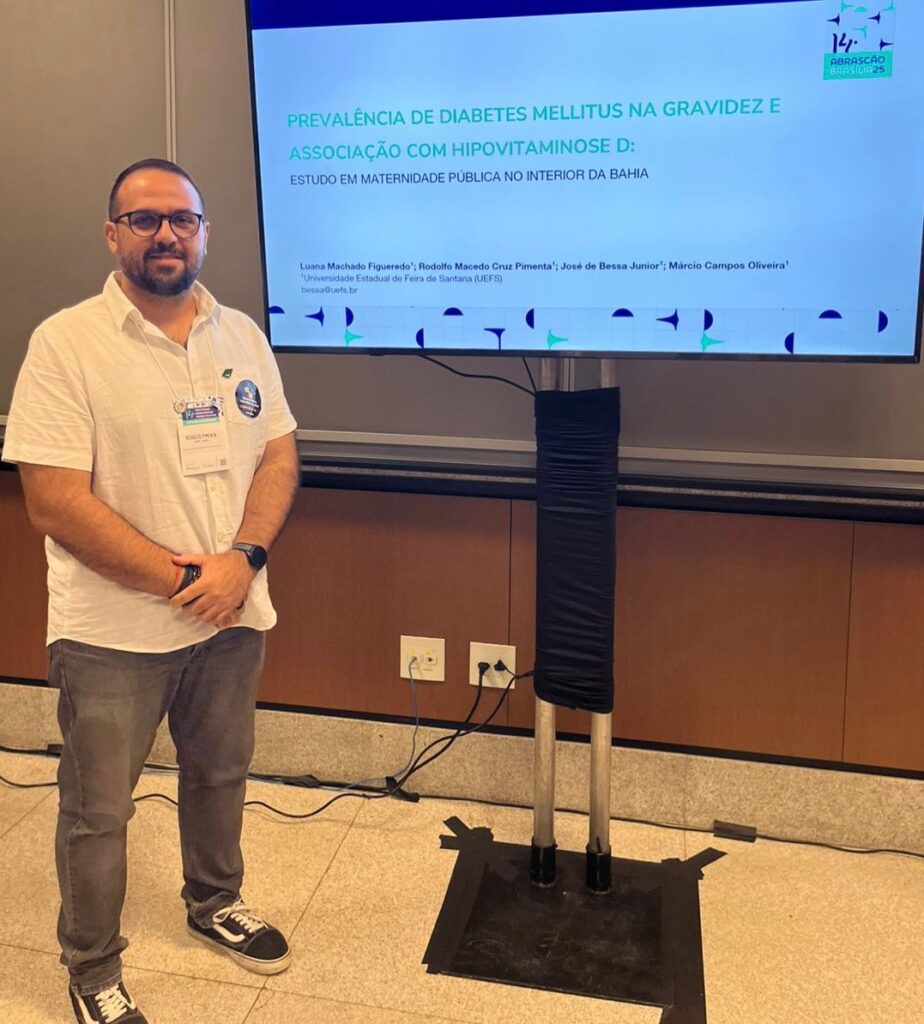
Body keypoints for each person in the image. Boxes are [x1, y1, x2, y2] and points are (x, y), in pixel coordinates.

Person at [2, 158, 300, 1024]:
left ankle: (215, 902)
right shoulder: (66, 343)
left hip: (231, 613)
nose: (167, 234)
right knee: (98, 811)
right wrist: (184, 579)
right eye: (145, 220)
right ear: (113, 235)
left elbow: (277, 456)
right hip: (113, 633)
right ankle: (92, 967)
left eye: (183, 219)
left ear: (204, 232)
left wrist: (242, 560)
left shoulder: (240, 335)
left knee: (221, 773)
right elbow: (54, 500)